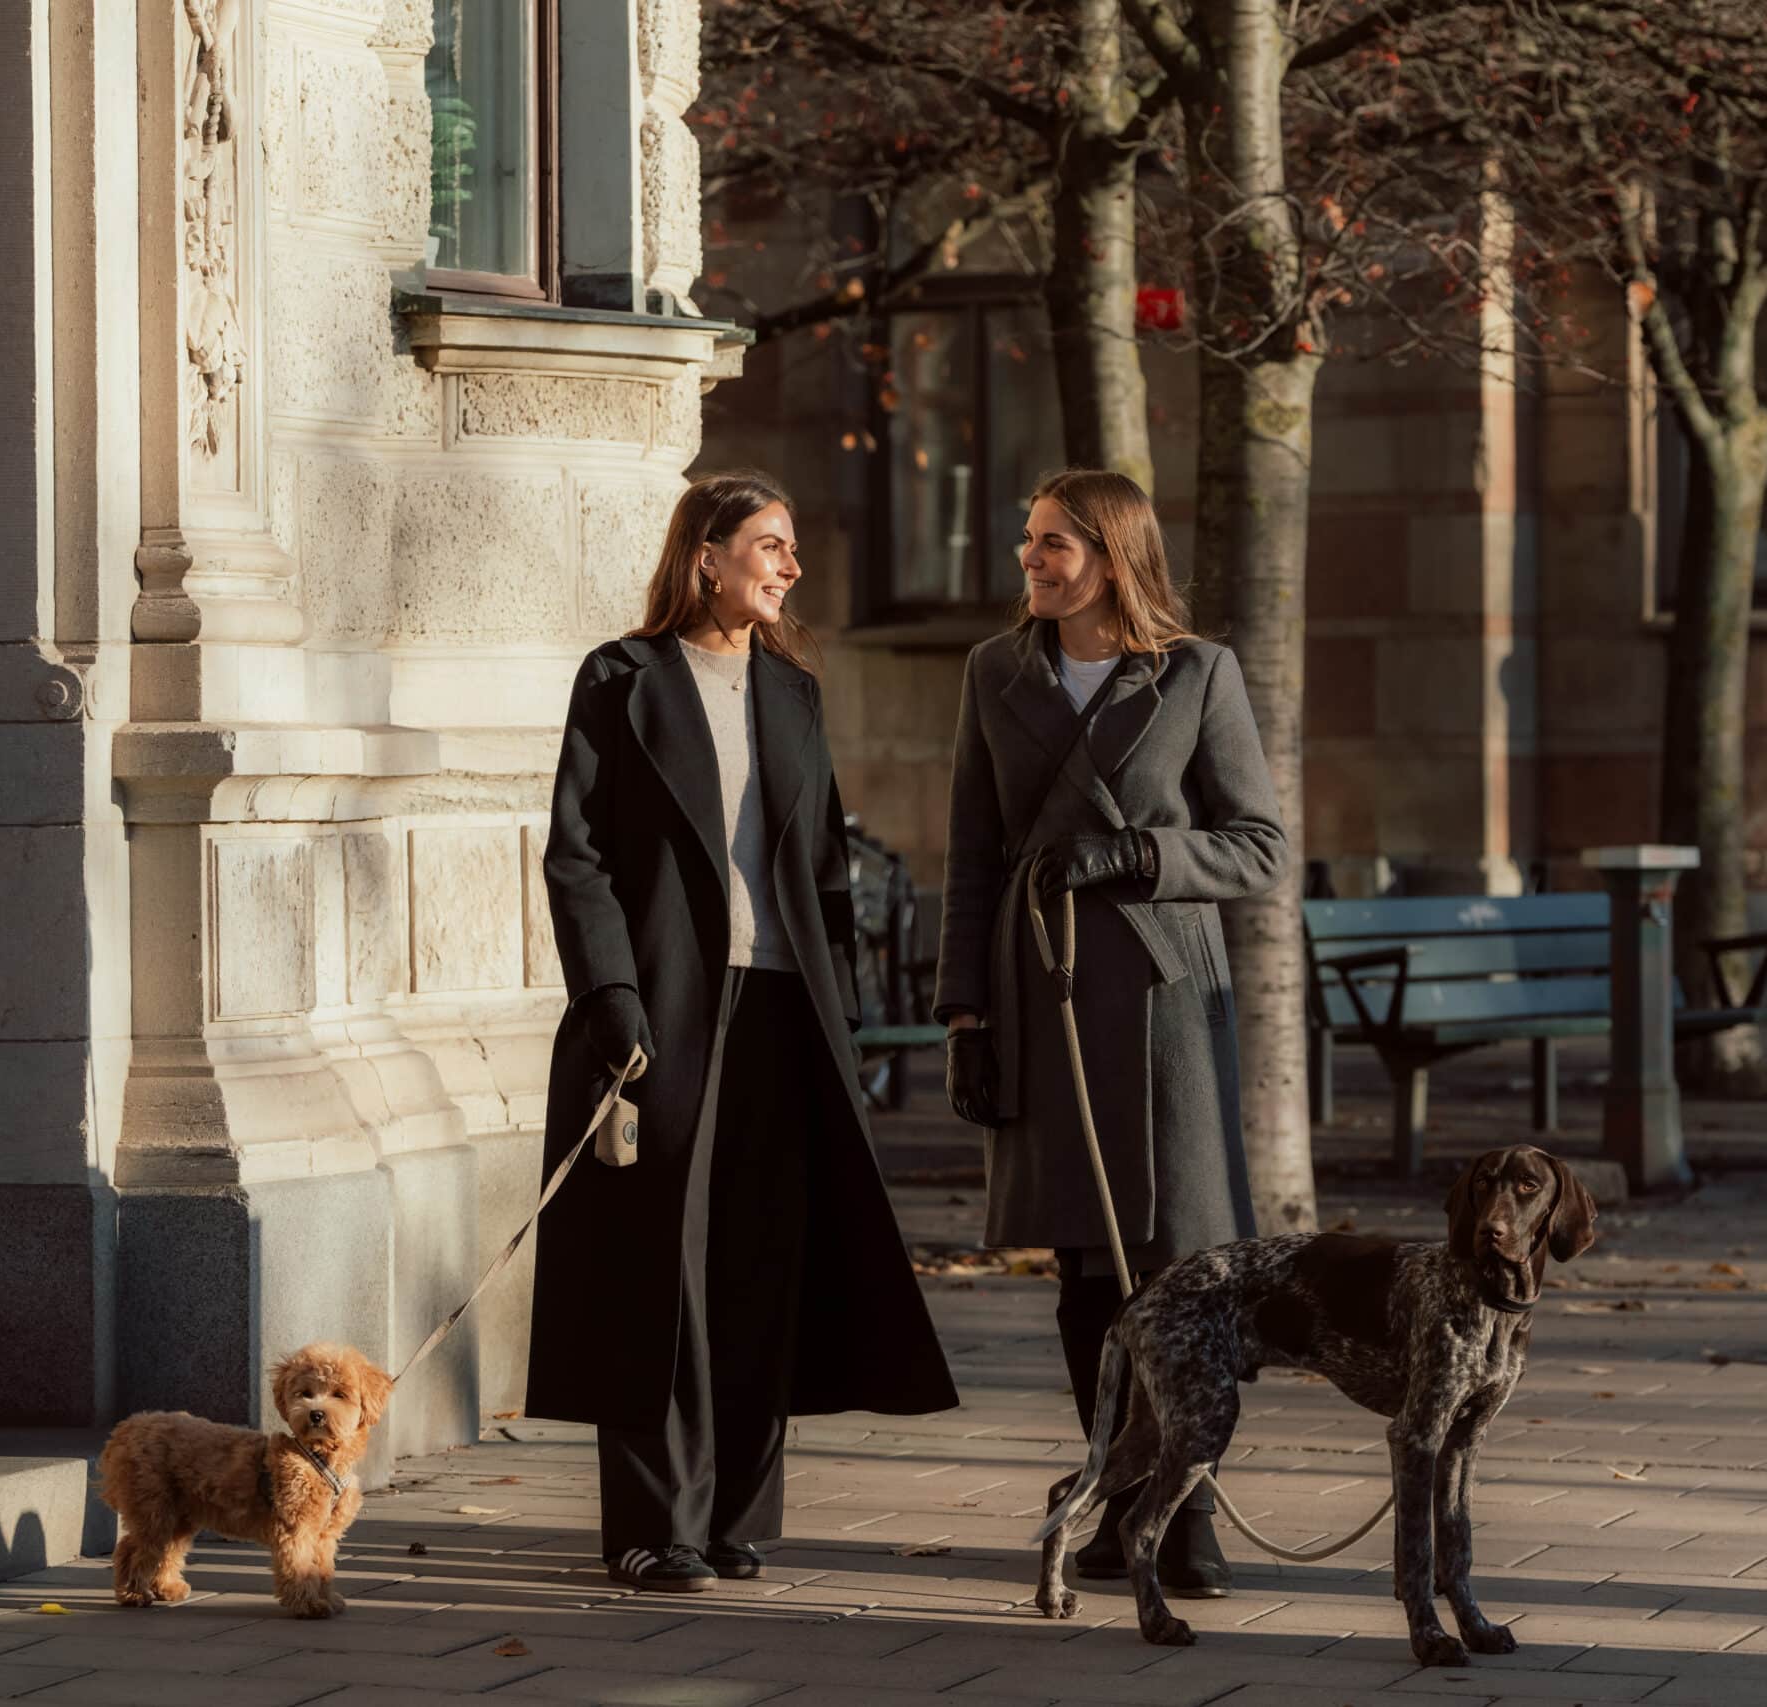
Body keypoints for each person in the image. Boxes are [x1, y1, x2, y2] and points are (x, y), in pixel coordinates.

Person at [529, 471, 958, 1593]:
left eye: (792, 546)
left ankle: (733, 1519)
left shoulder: (794, 691)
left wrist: (847, 1023)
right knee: (653, 1265)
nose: (790, 565)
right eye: (769, 544)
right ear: (705, 555)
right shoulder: (620, 679)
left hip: (784, 1008)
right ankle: (647, 1526)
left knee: (762, 1266)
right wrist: (610, 998)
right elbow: (575, 854)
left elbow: (821, 869)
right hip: (660, 1007)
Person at [935, 468, 1287, 1597]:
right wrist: (965, 1013)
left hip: (1163, 1005)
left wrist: (1143, 856)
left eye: (1054, 546)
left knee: (1179, 1268)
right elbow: (970, 856)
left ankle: (1188, 1514)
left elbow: (1260, 847)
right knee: (1084, 1272)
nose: (1030, 561)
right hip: (1038, 994)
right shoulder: (994, 673)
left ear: (1114, 555)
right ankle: (1112, 1496)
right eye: (1027, 541)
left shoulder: (1195, 673)